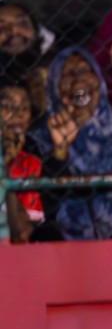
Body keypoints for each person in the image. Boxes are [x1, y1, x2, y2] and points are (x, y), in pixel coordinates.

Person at [27, 47, 112, 241]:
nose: (79, 80)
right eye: (69, 74)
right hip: (58, 252)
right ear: (54, 86)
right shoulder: (35, 144)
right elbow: (38, 212)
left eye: (86, 71)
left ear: (100, 82)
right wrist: (59, 153)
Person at [1, 78, 44, 243]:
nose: (17, 113)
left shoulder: (35, 162)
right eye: (7, 106)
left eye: (24, 108)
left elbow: (23, 230)